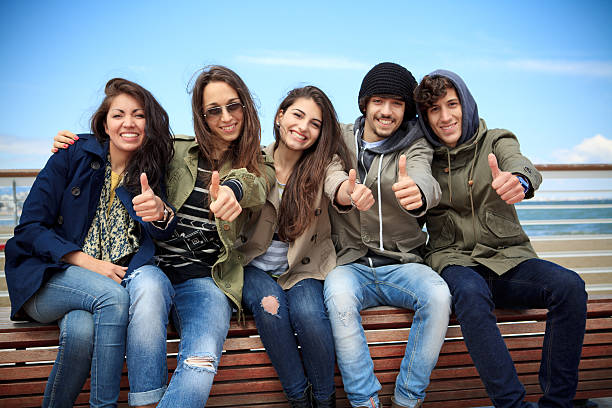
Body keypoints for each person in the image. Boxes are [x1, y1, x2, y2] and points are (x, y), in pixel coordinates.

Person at [53, 65, 274, 407]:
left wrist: (232, 189)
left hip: (203, 281)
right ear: (201, 116)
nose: (226, 117)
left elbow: (255, 185)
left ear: (246, 105)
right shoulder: (175, 150)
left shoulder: (259, 163)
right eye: (214, 110)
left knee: (200, 362)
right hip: (148, 269)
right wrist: (75, 143)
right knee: (150, 287)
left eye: (234, 106)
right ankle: (145, 401)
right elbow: (124, 139)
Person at [414, 69, 587, 408]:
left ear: (466, 103)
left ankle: (558, 404)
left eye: (452, 104)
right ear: (425, 116)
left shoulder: (496, 140)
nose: (445, 116)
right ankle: (512, 405)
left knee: (569, 287)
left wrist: (519, 181)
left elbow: (519, 163)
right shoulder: (423, 157)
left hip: (508, 259)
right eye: (434, 109)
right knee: (469, 292)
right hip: (455, 260)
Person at [5, 78, 176, 408]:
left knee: (82, 333)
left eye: (139, 115)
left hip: (94, 293)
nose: (128, 123)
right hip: (46, 277)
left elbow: (161, 233)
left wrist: (160, 214)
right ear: (105, 123)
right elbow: (29, 229)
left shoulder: (150, 172)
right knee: (113, 297)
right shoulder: (72, 155)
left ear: (150, 124)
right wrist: (87, 262)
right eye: (118, 115)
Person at [323, 62, 452, 408]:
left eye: (397, 103)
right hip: (350, 263)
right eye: (379, 100)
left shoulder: (416, 142)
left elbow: (425, 177)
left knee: (438, 296)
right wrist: (345, 194)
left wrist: (419, 193)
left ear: (406, 109)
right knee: (337, 296)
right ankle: (365, 401)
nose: (387, 111)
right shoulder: (339, 136)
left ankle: (408, 398)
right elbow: (330, 173)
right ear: (365, 103)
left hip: (402, 262)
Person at [237, 86, 374, 408]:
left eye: (315, 123)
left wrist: (349, 193)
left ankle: (325, 400)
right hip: (252, 266)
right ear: (280, 116)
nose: (303, 127)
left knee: (311, 317)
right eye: (298, 115)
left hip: (304, 266)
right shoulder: (253, 161)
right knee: (271, 308)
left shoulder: (324, 165)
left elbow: (337, 184)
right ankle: (299, 398)